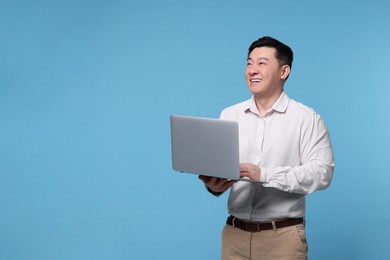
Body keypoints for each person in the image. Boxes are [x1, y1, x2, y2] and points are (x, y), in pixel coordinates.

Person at [199, 36, 334, 260]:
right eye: (249, 63)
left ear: (284, 71)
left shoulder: (306, 118)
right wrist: (215, 186)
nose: (252, 70)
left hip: (282, 238)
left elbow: (322, 172)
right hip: (234, 236)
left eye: (261, 63)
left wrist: (263, 174)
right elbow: (221, 171)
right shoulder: (229, 115)